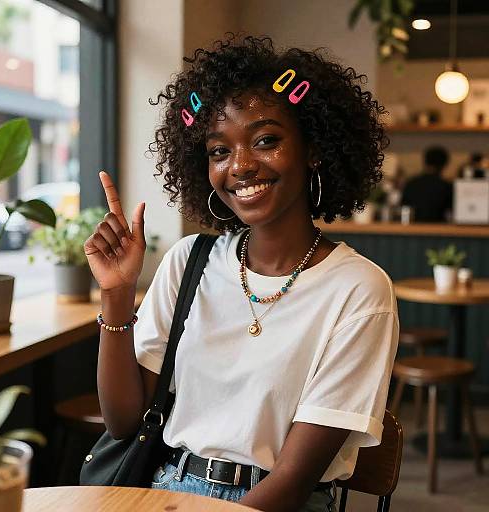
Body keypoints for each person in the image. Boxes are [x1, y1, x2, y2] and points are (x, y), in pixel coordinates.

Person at [85, 34, 399, 512]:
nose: (241, 166)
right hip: (162, 488)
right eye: (218, 151)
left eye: (266, 140)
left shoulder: (359, 290)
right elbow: (123, 422)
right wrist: (117, 293)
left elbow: (293, 482)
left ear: (314, 148)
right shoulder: (189, 260)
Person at [401, 146, 453, 222]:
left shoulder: (411, 183)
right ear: (444, 164)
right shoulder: (446, 186)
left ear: (425, 162)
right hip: (439, 229)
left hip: (412, 228)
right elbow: (450, 212)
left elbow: (404, 206)